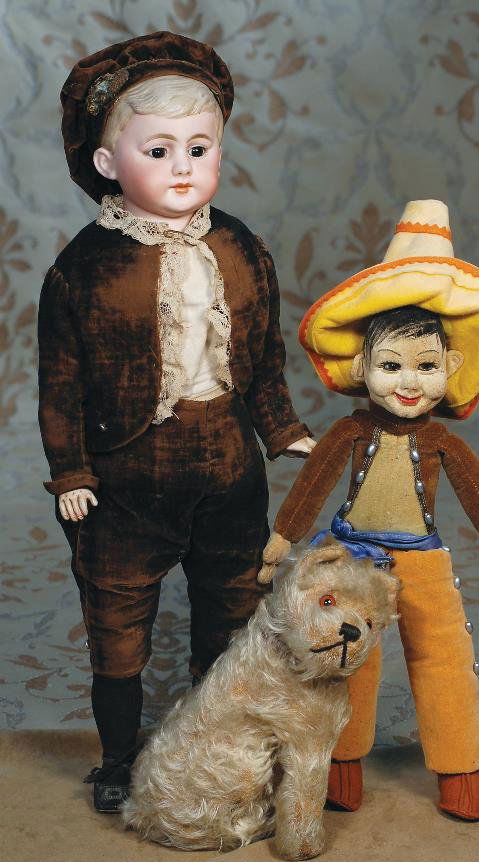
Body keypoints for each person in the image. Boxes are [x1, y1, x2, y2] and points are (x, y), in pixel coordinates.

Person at [37, 31, 313, 813]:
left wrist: (280, 428)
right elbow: (60, 385)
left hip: (228, 457)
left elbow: (261, 356)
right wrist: (71, 472)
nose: (183, 167)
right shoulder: (85, 267)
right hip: (127, 471)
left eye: (200, 147)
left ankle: (215, 742)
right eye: (157, 151)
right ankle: (119, 757)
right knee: (118, 617)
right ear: (107, 162)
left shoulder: (240, 247)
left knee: (232, 606)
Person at [259, 199, 479, 821]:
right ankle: (339, 764)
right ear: (363, 368)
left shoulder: (443, 443)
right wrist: (281, 543)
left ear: (450, 368)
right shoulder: (349, 433)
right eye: (391, 365)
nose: (409, 382)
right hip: (354, 559)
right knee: (347, 658)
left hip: (424, 561)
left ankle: (461, 768)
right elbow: (311, 489)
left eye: (426, 366)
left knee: (444, 658)